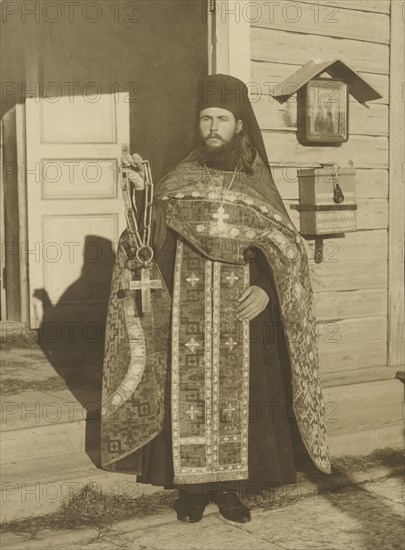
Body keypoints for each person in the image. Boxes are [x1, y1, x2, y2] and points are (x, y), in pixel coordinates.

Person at [101, 74, 331, 524]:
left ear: (239, 126)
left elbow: (283, 248)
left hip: (242, 310)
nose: (212, 126)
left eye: (222, 119)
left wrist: (266, 289)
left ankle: (230, 488)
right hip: (187, 303)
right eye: (205, 118)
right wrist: (141, 193)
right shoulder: (179, 177)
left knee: (241, 398)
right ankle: (191, 488)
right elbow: (149, 241)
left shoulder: (254, 182)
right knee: (188, 394)